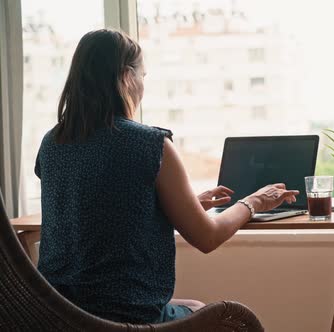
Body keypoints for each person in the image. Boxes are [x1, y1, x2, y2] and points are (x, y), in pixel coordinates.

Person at [34, 29, 299, 324]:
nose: (142, 86)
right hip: (123, 316)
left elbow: (95, 208)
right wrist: (253, 203)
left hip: (57, 314)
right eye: (143, 76)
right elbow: (206, 237)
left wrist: (182, 204)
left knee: (194, 305)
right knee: (214, 319)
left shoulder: (52, 143)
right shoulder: (150, 144)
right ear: (125, 77)